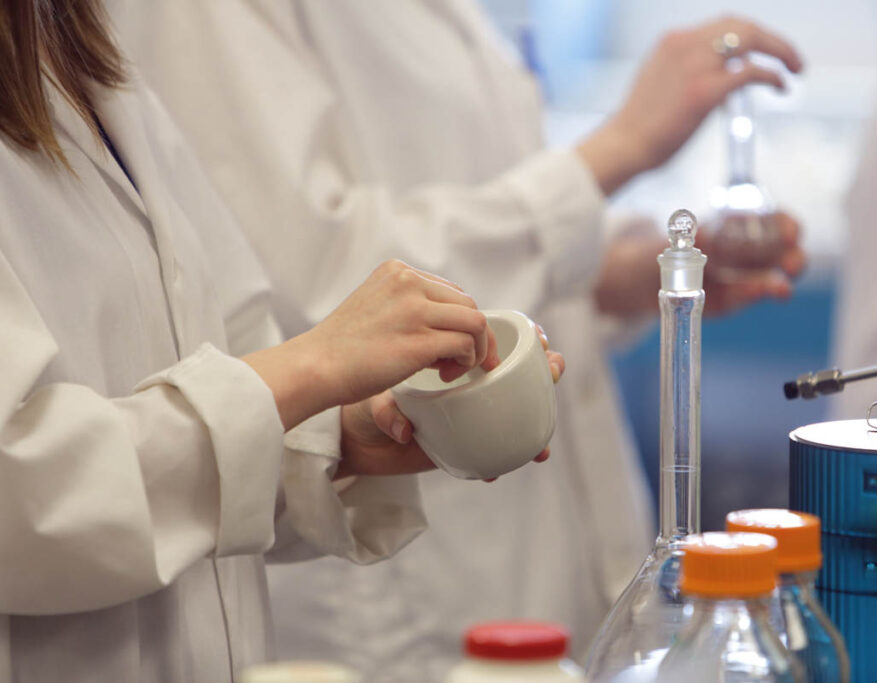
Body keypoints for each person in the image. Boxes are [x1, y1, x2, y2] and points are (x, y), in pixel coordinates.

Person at [110, 2, 806, 678]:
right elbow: (322, 286)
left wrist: (605, 281)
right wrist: (617, 149)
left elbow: (464, 253)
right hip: (394, 594)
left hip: (535, 553)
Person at [0, 1, 562, 680]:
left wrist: (339, 437)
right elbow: (22, 494)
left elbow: (210, 373)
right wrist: (313, 365)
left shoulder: (81, 57)